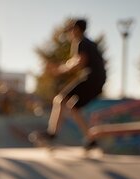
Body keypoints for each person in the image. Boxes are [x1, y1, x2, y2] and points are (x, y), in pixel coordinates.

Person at [38, 18, 106, 149]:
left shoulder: (81, 42)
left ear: (76, 30)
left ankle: (51, 134)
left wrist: (59, 69)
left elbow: (79, 61)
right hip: (98, 80)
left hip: (91, 78)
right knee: (74, 107)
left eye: (70, 31)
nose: (69, 34)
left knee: (60, 99)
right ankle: (91, 139)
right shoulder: (90, 43)